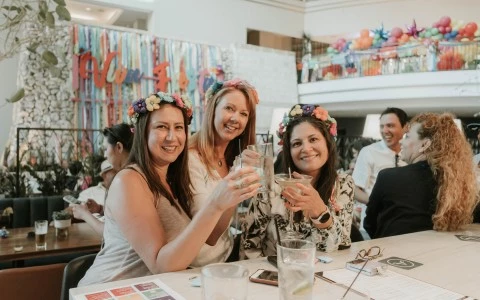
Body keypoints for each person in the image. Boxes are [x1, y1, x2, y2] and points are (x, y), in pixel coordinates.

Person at [78, 92, 260, 286]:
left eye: (179, 127)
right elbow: (160, 264)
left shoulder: (171, 177)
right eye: (162, 127)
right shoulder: (130, 180)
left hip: (155, 289)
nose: (172, 137)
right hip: (111, 288)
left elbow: (207, 239)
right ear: (142, 132)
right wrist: (215, 204)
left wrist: (231, 194)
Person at [243, 104, 355, 257]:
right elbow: (249, 247)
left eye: (313, 139)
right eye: (297, 143)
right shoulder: (270, 188)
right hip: (274, 275)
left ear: (328, 143)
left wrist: (320, 211)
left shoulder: (343, 184)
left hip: (324, 274)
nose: (306, 148)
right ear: (289, 151)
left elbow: (341, 245)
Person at [364, 113, 478, 239]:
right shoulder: (458, 185)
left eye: (407, 137)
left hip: (392, 255)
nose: (401, 141)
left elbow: (369, 224)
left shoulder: (389, 177)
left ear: (425, 144)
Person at [188, 78, 260, 264]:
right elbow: (211, 236)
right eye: (229, 108)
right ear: (213, 108)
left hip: (229, 257)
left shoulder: (232, 160)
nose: (236, 118)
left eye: (244, 113)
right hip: (196, 267)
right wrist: (236, 180)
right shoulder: (190, 159)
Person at [70, 124, 134, 235]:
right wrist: (100, 209)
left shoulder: (124, 180)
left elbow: (111, 232)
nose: (104, 155)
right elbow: (126, 218)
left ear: (119, 147)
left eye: (105, 149)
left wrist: (84, 214)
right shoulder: (134, 174)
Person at [70, 160, 116, 235]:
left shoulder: (127, 192)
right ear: (104, 175)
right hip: (90, 236)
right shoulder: (89, 193)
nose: (119, 174)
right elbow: (72, 210)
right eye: (115, 171)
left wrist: (99, 209)